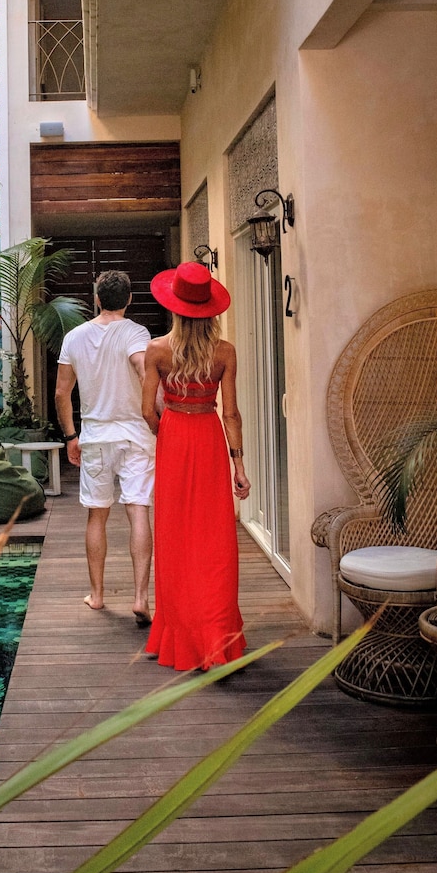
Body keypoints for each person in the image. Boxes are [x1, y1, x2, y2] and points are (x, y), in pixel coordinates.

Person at [141, 261, 250, 671]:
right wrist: (239, 466)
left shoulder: (157, 350)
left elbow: (146, 410)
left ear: (175, 307)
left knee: (175, 538)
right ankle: (217, 637)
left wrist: (167, 434)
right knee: (214, 540)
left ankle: (180, 634)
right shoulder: (225, 352)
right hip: (208, 438)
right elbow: (231, 414)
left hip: (174, 438)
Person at [54, 269, 156, 626]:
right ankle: (141, 598)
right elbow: (142, 368)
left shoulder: (74, 337)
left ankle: (97, 596)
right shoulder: (136, 333)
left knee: (97, 514)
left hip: (95, 436)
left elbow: (61, 393)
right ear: (129, 299)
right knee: (138, 510)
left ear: (97, 298)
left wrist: (71, 436)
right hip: (136, 436)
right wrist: (156, 413)